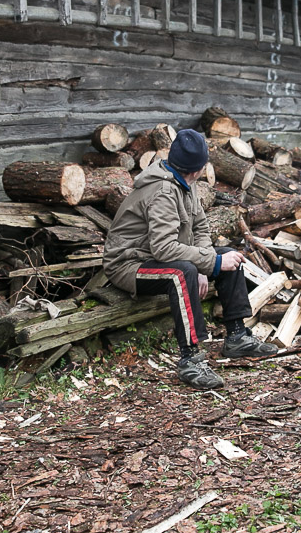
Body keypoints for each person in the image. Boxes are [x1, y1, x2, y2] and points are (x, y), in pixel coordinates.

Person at [103, 128, 279, 389]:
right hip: (129, 265)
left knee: (227, 256)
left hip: (155, 256)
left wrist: (208, 263)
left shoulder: (185, 182)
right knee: (182, 273)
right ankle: (191, 360)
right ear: (198, 168)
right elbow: (163, 249)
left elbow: (200, 227)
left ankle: (237, 337)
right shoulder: (163, 191)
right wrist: (207, 263)